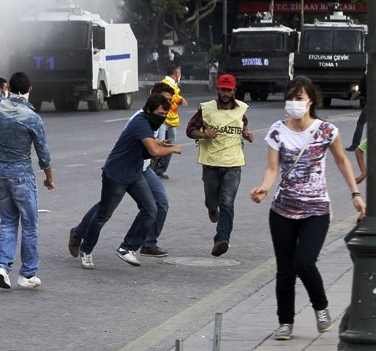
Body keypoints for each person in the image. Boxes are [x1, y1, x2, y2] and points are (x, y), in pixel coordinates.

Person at [250, 77, 365, 341]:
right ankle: (285, 322)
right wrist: (264, 188)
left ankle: (321, 307)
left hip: (316, 210)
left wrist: (355, 193)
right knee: (284, 269)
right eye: (290, 97)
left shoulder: (326, 131)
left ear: (310, 100)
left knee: (304, 262)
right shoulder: (277, 131)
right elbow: (272, 168)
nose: (293, 103)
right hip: (282, 210)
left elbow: (341, 162)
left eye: (298, 98)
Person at [70, 93, 181, 269]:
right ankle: (86, 248)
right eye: (160, 114)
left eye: (164, 116)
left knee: (151, 209)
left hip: (135, 172)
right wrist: (171, 148)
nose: (162, 118)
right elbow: (153, 151)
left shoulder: (148, 123)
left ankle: (126, 248)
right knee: (103, 215)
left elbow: (150, 146)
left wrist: (160, 144)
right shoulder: (140, 122)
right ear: (149, 110)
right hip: (116, 174)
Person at [0, 50, 54, 289]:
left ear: (9, 89)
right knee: (29, 224)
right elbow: (43, 153)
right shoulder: (32, 117)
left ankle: (2, 266)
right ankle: (27, 273)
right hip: (22, 176)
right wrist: (49, 178)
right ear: (29, 89)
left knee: (7, 222)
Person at [185, 73, 254, 257]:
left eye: (228, 90)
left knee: (227, 202)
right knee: (212, 200)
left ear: (234, 90)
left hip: (233, 163)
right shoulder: (207, 109)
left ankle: (222, 240)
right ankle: (210, 208)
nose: (225, 93)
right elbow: (190, 130)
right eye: (222, 89)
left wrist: (246, 133)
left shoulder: (240, 110)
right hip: (211, 164)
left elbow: (243, 125)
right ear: (218, 89)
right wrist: (205, 134)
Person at [153, 62, 188, 179]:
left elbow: (174, 97)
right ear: (177, 73)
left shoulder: (174, 86)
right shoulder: (164, 84)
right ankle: (152, 169)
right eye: (180, 72)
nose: (180, 75)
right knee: (160, 145)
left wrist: (180, 98)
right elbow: (154, 94)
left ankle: (160, 170)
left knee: (170, 146)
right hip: (163, 120)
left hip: (172, 121)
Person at [345, 72, 366, 152]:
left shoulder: (366, 77)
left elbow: (359, 92)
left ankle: (355, 144)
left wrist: (352, 98)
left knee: (360, 123)